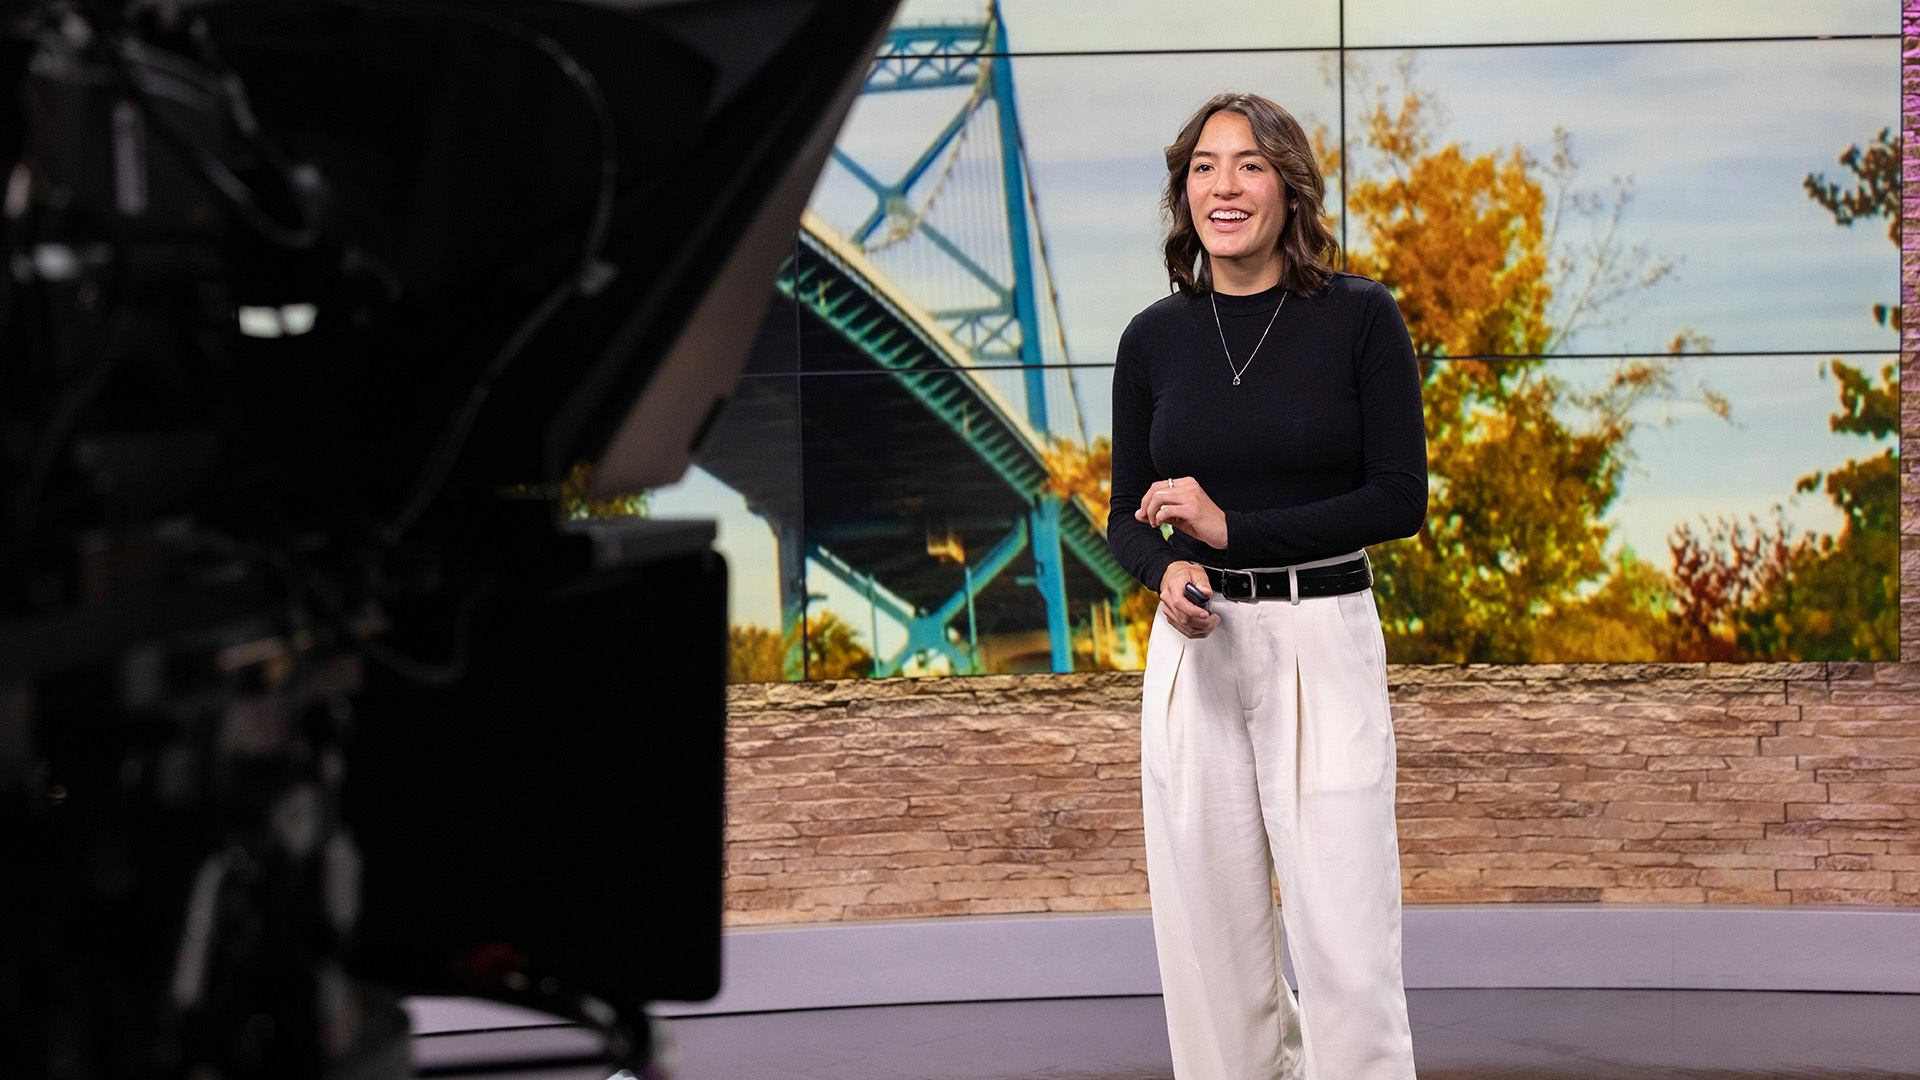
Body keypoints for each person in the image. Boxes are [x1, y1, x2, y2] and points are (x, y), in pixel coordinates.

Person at [1105, 90, 1428, 1080]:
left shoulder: (1362, 318)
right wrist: (1168, 573)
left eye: (1248, 165)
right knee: (1212, 947)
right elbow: (1125, 516)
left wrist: (1234, 529)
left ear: (1290, 189)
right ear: (1183, 193)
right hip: (1195, 656)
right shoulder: (1151, 340)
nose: (1225, 186)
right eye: (1204, 166)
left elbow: (1398, 498)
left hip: (1320, 638)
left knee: (1345, 947)